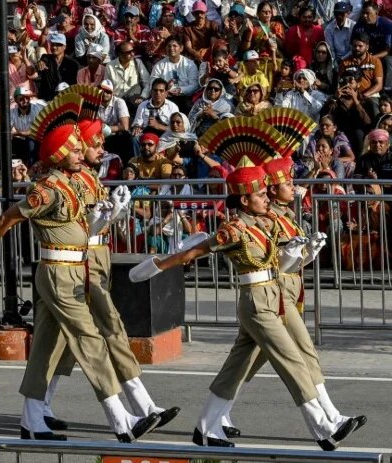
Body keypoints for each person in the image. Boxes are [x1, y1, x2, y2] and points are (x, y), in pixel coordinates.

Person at [0, 94, 160, 442]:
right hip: (58, 272)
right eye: (75, 149)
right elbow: (8, 218)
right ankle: (120, 419)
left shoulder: (72, 184)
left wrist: (108, 217)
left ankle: (32, 418)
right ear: (58, 155)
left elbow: (81, 226)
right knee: (90, 338)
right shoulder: (46, 190)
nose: (82, 152)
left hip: (75, 268)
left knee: (47, 347)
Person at [130, 155, 366, 450]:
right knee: (291, 359)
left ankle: (207, 427)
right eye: (260, 194)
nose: (267, 198)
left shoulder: (266, 223)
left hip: (274, 295)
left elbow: (284, 254)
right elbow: (194, 252)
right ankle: (323, 428)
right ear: (243, 201)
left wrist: (304, 251)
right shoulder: (233, 231)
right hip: (257, 302)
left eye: (268, 193)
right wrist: (159, 265)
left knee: (237, 368)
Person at [37, 112, 181, 436]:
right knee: (90, 337)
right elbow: (71, 228)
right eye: (93, 142)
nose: (101, 147)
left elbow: (94, 220)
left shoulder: (89, 178)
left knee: (69, 341)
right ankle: (129, 410)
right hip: (76, 263)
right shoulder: (64, 182)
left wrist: (114, 214)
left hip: (95, 258)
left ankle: (37, 410)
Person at [217, 153, 364, 441]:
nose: (294, 186)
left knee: (244, 361)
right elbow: (275, 261)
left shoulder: (287, 217)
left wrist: (310, 250)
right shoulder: (270, 220)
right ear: (272, 189)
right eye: (288, 182)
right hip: (274, 292)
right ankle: (327, 420)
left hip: (285, 290)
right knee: (298, 355)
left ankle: (214, 414)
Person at [34, 32, 78, 102]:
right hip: (46, 99)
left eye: (58, 45)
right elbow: (38, 67)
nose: (54, 47)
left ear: (64, 47)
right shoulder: (45, 58)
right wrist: (39, 64)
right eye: (52, 44)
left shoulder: (72, 64)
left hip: (65, 99)